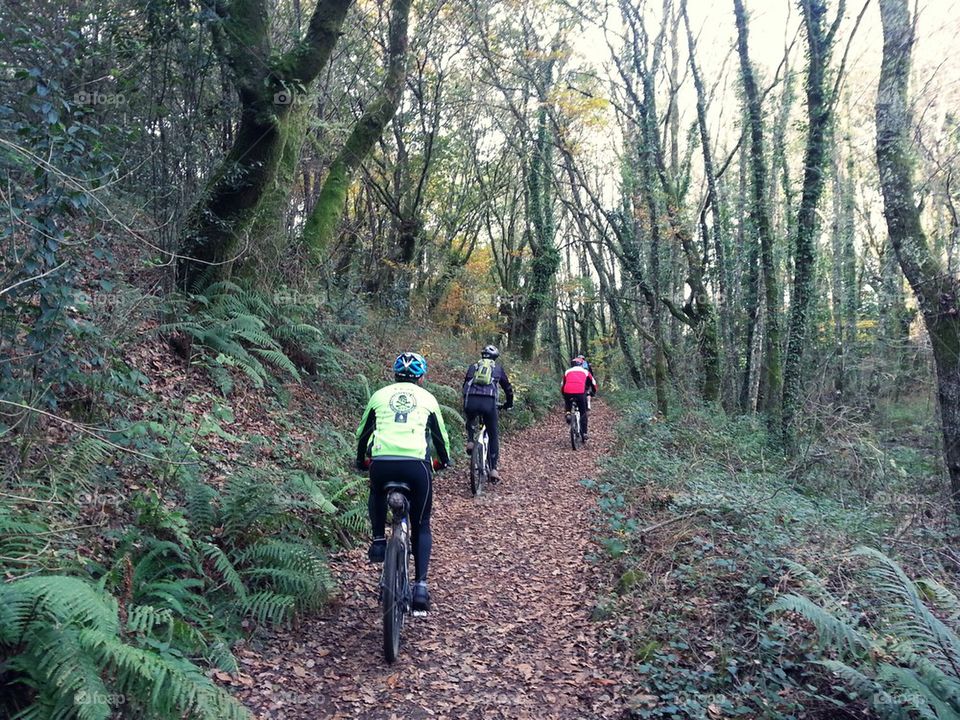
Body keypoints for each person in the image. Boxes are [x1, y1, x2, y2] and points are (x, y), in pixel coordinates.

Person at [356, 352, 451, 612]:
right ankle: (420, 586)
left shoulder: (378, 395)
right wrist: (444, 461)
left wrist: (360, 459)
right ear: (421, 377)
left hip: (382, 464)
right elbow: (440, 437)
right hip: (416, 467)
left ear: (395, 375)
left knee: (376, 491)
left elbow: (363, 432)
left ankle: (378, 540)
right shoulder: (428, 399)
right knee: (422, 525)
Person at [462, 344, 514, 482]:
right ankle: (493, 469)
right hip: (489, 403)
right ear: (495, 357)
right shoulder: (497, 369)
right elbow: (508, 388)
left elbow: (465, 385)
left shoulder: (473, 367)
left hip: (471, 400)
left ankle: (470, 440)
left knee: (471, 418)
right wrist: (509, 403)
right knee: (493, 433)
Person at [561, 356, 598, 443]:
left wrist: (563, 394)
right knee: (583, 412)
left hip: (568, 392)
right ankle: (584, 433)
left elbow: (563, 384)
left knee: (568, 403)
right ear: (581, 364)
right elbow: (593, 383)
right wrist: (593, 392)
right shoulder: (585, 371)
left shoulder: (567, 372)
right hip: (580, 393)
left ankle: (568, 413)